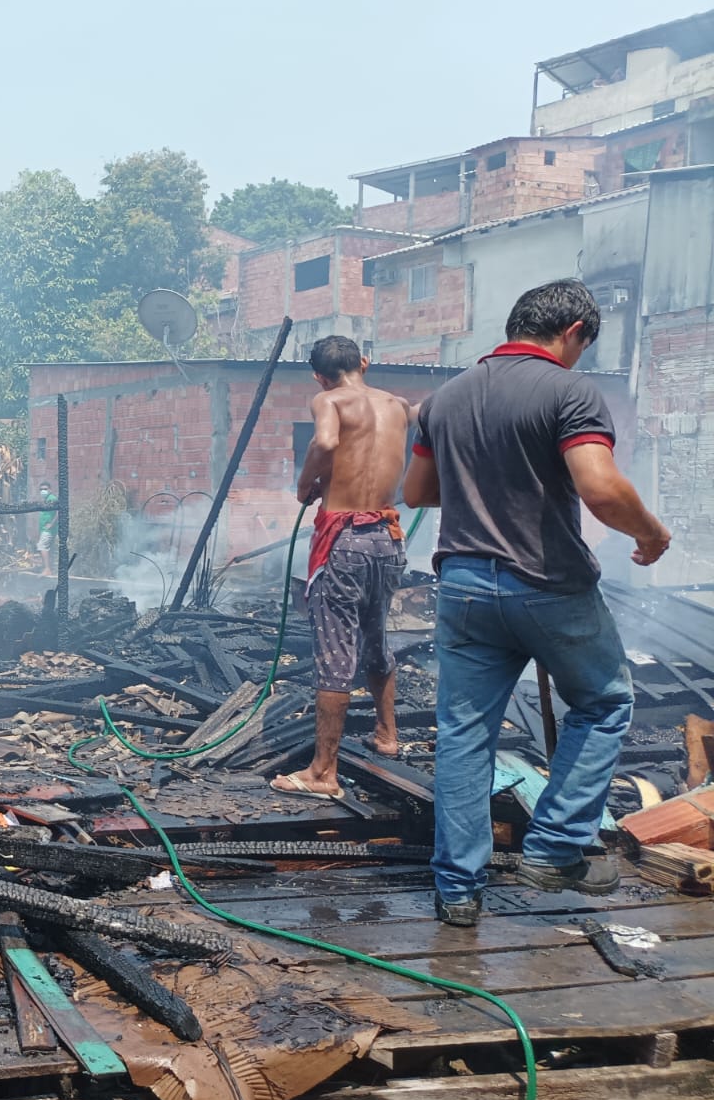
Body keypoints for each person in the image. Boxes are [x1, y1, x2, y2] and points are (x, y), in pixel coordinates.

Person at [404, 279, 671, 927]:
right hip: (546, 584)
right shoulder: (569, 390)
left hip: (464, 586)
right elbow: (600, 488)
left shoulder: (446, 398)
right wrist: (652, 533)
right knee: (606, 703)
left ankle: (458, 893)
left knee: (465, 736)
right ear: (575, 330)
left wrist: (486, 485)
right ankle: (553, 849)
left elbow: (417, 491)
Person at [270, 335, 412, 800]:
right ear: (365, 363)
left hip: (344, 539)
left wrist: (305, 482)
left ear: (318, 376)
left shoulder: (328, 400)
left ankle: (322, 774)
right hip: (388, 538)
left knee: (335, 654)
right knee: (377, 634)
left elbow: (327, 441)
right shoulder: (398, 404)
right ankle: (387, 735)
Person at [36, 483, 59, 574]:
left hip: (48, 529)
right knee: (48, 548)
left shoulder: (52, 498)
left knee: (42, 546)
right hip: (44, 529)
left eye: (45, 489)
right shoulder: (46, 500)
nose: (43, 491)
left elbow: (58, 512)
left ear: (50, 489)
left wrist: (52, 524)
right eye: (41, 489)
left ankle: (47, 569)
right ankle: (49, 568)